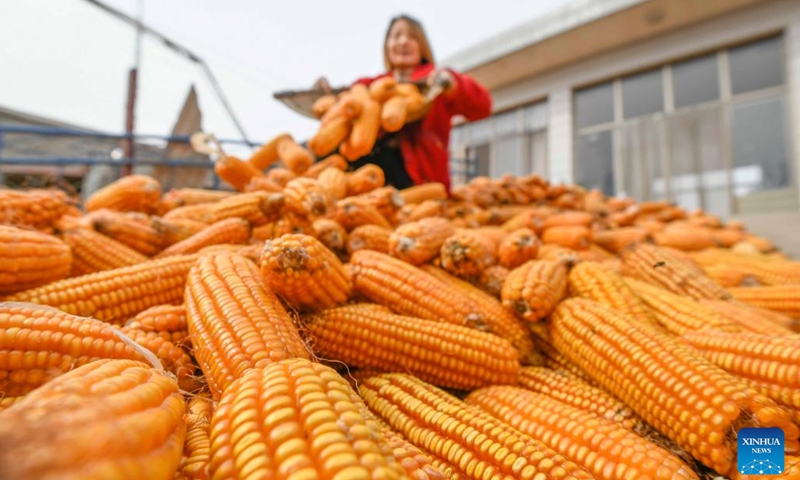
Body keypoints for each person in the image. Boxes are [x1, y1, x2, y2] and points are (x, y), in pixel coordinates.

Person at [336, 14, 492, 192]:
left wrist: (453, 83)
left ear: (422, 46)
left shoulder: (435, 83)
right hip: (371, 176)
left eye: (412, 37)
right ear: (387, 46)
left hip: (421, 181)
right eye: (396, 36)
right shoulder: (369, 87)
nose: (403, 42)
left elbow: (482, 107)